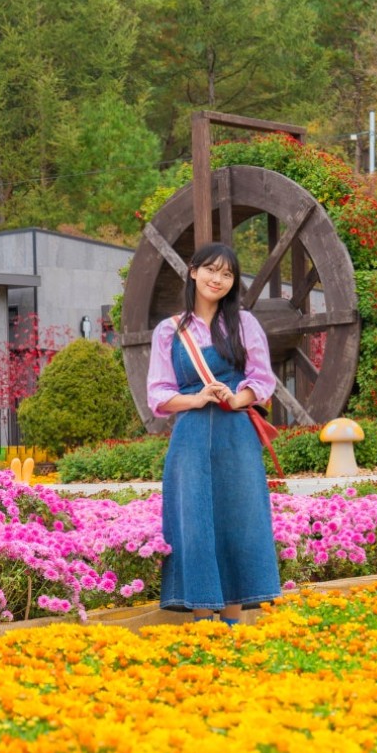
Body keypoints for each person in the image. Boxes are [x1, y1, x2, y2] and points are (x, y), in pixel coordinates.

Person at [146, 242, 282, 625]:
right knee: (193, 520)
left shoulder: (244, 324)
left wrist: (237, 399)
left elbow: (262, 378)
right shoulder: (169, 331)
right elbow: (158, 393)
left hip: (235, 434)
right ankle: (202, 620)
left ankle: (234, 621)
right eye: (210, 270)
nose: (217, 279)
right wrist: (196, 398)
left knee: (239, 518)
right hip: (189, 438)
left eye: (227, 274)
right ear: (193, 272)